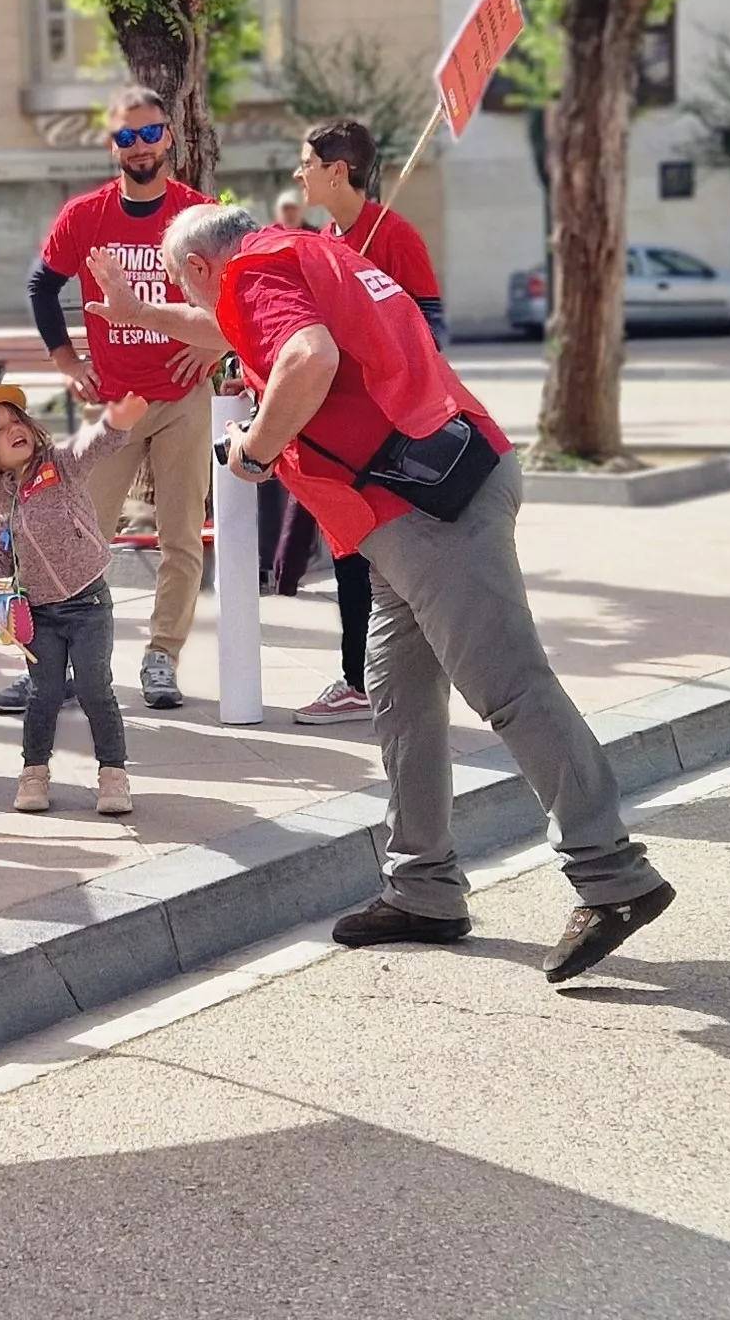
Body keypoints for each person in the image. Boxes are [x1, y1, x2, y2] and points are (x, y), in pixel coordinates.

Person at [92, 204, 678, 980]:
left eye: (182, 286)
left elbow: (304, 357)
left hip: (425, 509)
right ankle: (424, 889)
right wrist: (141, 312)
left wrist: (256, 451)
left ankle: (614, 877)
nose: (198, 304)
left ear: (205, 268)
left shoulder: (256, 275)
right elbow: (229, 330)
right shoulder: (302, 254)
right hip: (413, 504)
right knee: (400, 701)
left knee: (510, 687)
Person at [26, 87, 215, 713]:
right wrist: (65, 361)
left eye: (149, 133)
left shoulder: (198, 215)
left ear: (169, 137)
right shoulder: (84, 216)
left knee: (180, 536)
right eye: (125, 137)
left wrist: (214, 350)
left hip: (184, 395)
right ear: (112, 143)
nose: (139, 147)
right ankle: (73, 665)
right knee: (81, 533)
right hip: (115, 402)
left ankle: (162, 657)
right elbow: (42, 286)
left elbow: (241, 296)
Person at [274, 118, 449, 727]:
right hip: (341, 431)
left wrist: (380, 344)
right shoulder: (328, 240)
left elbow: (432, 332)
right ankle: (361, 678)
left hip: (388, 432)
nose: (299, 174)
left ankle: (377, 679)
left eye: (307, 163)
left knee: (385, 560)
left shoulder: (394, 237)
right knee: (351, 555)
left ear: (337, 171)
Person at [0, 387, 149, 815]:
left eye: (17, 421)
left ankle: (113, 775)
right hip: (38, 612)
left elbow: (94, 443)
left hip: (89, 602)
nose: (14, 431)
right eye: (0, 430)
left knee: (93, 689)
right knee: (43, 694)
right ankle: (34, 773)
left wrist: (117, 420)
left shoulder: (58, 464)